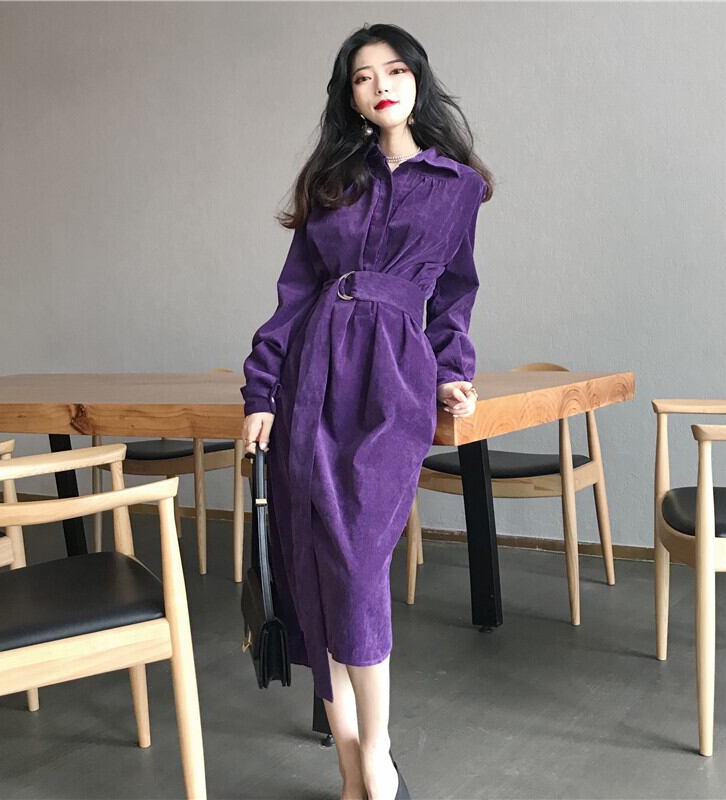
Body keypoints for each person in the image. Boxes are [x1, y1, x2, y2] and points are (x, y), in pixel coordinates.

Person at [240, 22, 493, 800]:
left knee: (356, 563)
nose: (380, 85)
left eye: (393, 71)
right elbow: (293, 294)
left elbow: (453, 294)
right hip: (313, 370)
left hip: (393, 377)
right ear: (349, 98)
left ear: (418, 81)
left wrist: (452, 372)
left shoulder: (457, 185)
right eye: (362, 77)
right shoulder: (331, 180)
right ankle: (352, 765)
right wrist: (261, 389)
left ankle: (377, 753)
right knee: (314, 559)